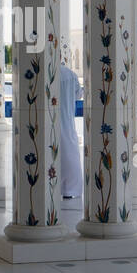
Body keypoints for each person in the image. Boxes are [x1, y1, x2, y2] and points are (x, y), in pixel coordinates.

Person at [58, 59, 82, 199]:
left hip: (51, 119)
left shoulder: (47, 74)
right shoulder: (71, 74)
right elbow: (78, 94)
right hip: (67, 118)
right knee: (70, 153)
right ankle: (71, 190)